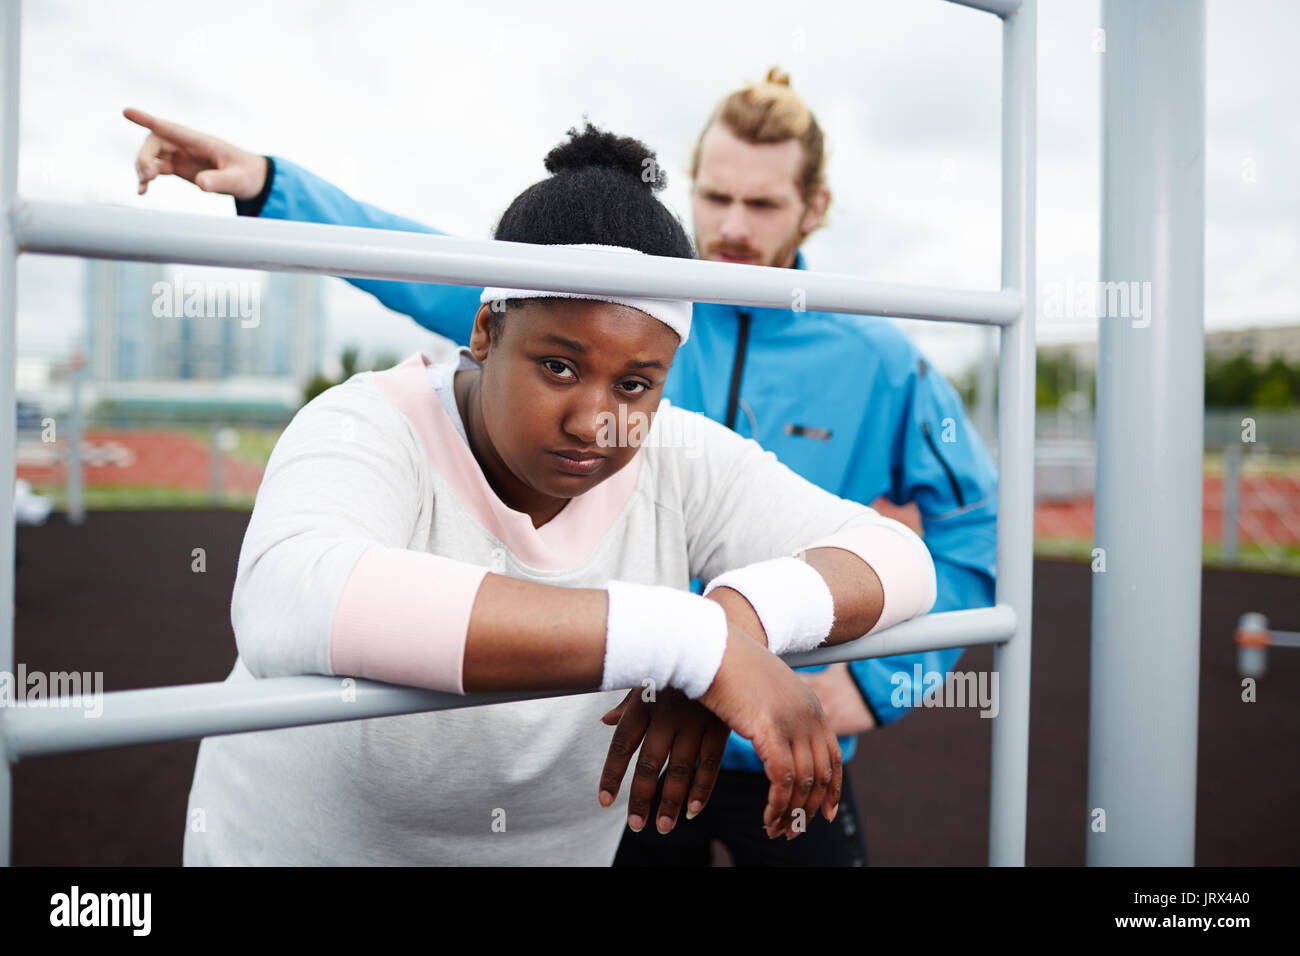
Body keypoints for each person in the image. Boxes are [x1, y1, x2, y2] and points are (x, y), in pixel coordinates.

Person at [127, 67, 996, 867]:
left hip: (730, 711)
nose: (596, 419)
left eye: (637, 383)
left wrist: (757, 631)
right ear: (482, 332)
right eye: (558, 367)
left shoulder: (837, 368)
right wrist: (691, 643)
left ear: (814, 208)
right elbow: (290, 595)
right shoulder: (369, 419)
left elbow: (917, 552)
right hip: (628, 722)